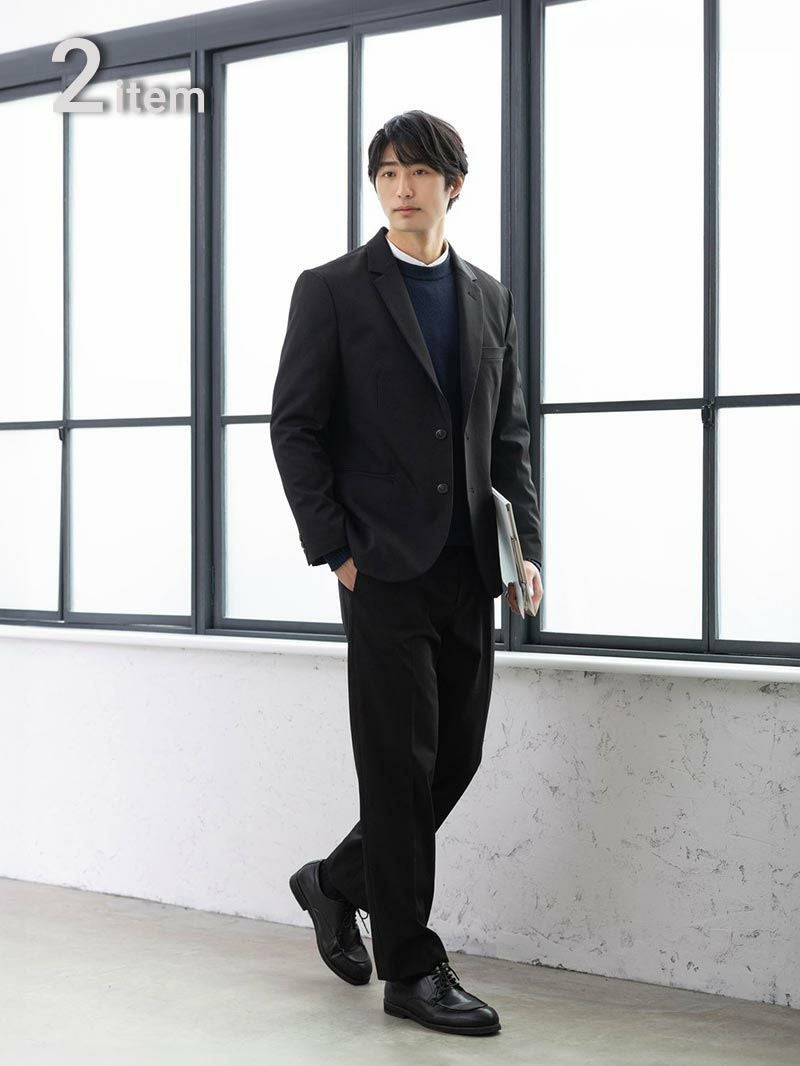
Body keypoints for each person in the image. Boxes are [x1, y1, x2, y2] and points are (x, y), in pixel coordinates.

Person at [271, 109, 543, 1036]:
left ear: (452, 184)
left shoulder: (489, 298)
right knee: (398, 767)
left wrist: (523, 547)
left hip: (469, 566)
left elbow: (508, 435)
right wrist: (336, 550)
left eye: (418, 171)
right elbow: (295, 428)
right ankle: (412, 968)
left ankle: (335, 880)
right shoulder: (332, 291)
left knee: (454, 756)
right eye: (386, 172)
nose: (400, 187)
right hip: (380, 569)